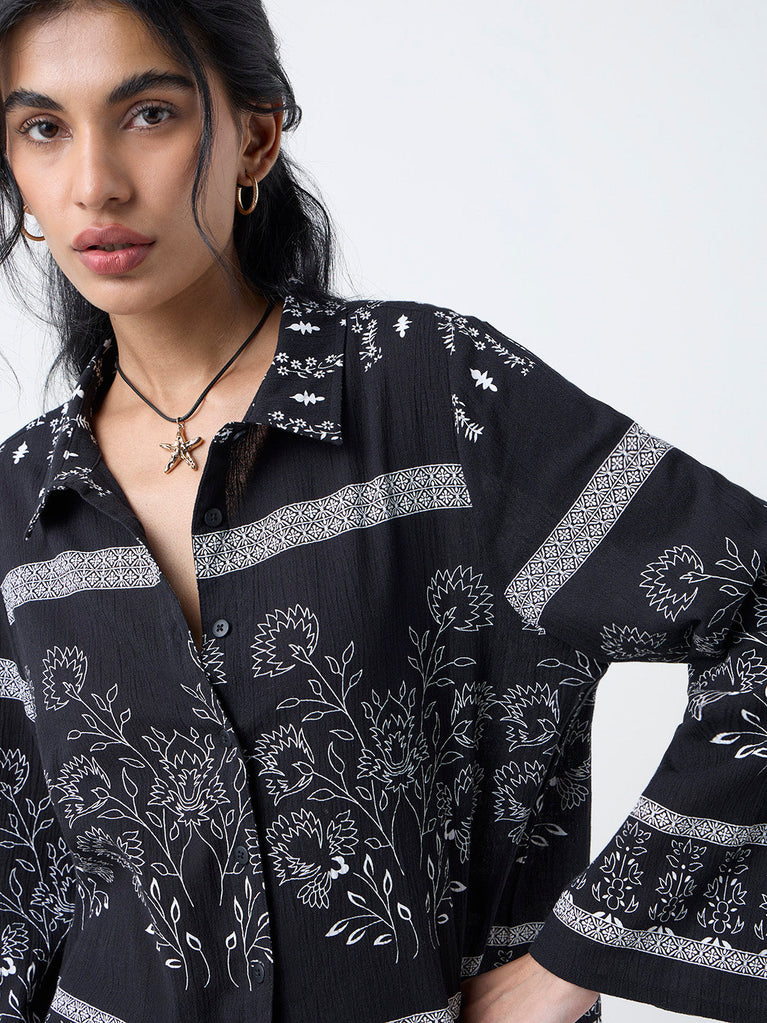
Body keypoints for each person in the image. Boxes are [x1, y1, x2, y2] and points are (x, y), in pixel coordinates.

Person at [0, 2, 764, 1022]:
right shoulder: (20, 501)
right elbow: (21, 883)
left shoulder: (435, 400)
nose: (93, 181)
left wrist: (577, 956)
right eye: (42, 128)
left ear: (254, 138)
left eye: (148, 114)